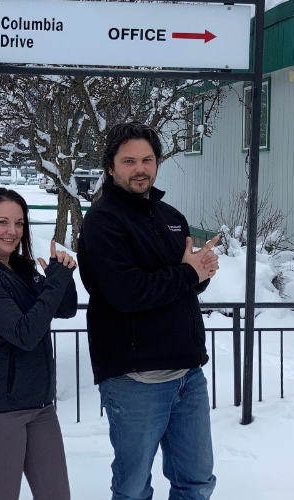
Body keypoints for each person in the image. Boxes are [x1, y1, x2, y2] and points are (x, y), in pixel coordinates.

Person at [77, 123, 221, 500]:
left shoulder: (169, 216)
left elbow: (182, 281)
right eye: (129, 161)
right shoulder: (102, 221)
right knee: (133, 488)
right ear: (110, 167)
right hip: (135, 381)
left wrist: (199, 271)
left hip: (187, 374)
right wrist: (188, 272)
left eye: (147, 159)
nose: (140, 168)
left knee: (197, 482)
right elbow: (128, 292)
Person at [0, 187, 78, 500]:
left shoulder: (21, 268)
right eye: (3, 222)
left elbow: (64, 308)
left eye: (19, 223)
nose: (12, 232)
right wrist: (56, 281)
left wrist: (61, 275)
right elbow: (25, 333)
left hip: (39, 404)